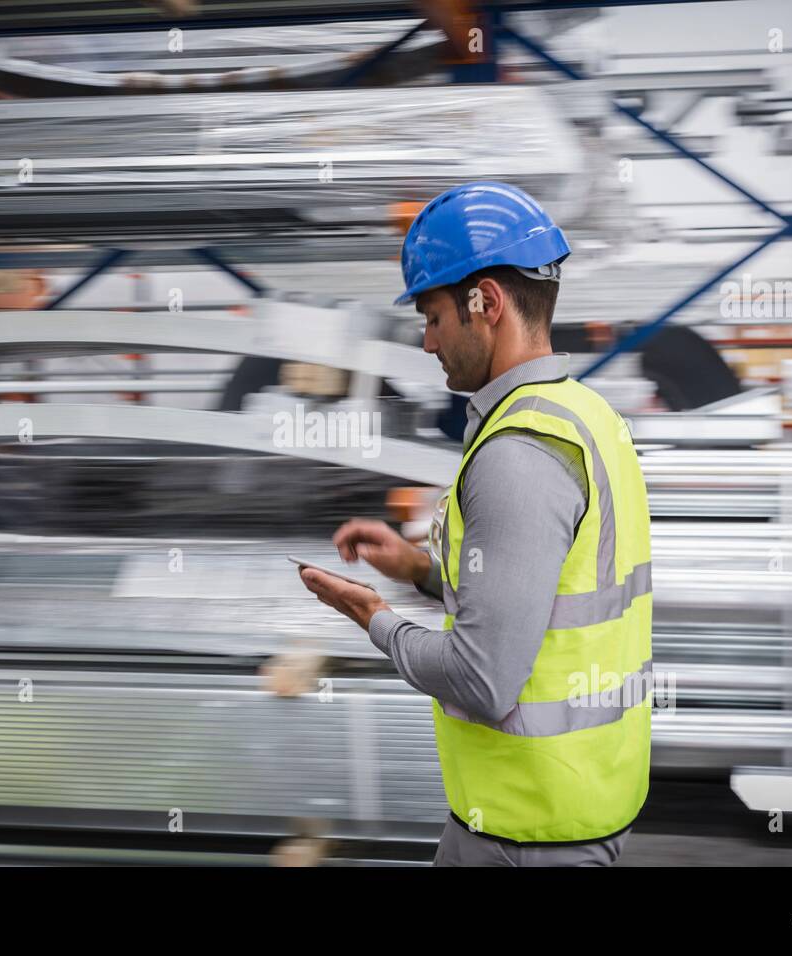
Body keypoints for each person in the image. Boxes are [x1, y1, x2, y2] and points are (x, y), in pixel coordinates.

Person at [297, 181, 653, 867]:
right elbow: (546, 600)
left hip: (530, 832)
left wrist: (370, 615)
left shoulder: (517, 454)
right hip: (570, 800)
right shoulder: (586, 417)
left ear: (484, 303)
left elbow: (483, 683)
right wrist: (419, 572)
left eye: (432, 317)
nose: (428, 342)